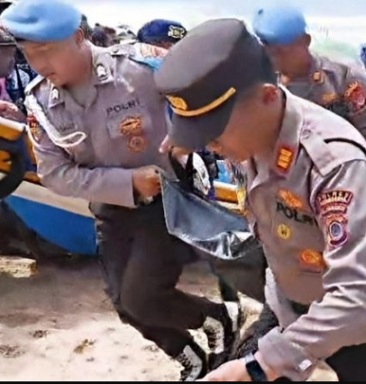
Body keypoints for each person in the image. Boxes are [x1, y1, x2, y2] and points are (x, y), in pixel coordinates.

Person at [0, 1, 240, 380]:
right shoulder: (40, 102)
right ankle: (191, 353)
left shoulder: (141, 66)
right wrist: (126, 183)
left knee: (143, 296)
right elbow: (56, 174)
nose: (39, 63)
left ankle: (216, 318)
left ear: (78, 38)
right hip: (111, 206)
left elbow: (205, 93)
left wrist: (186, 139)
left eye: (46, 51)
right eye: (30, 53)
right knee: (124, 305)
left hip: (169, 198)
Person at [155, 18, 366, 382]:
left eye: (213, 130)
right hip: (287, 299)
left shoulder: (332, 161)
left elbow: (358, 293)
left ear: (268, 97)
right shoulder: (245, 135)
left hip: (356, 324)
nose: (209, 144)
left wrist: (263, 365)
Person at [252, 5, 366, 187]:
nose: (275, 58)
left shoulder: (345, 78)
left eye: (282, 51)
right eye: (270, 52)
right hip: (295, 186)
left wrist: (339, 179)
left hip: (356, 180)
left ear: (305, 41)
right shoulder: (264, 84)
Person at [0, 28, 31, 113]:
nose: (13, 60)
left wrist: (23, 120)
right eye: (9, 55)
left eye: (14, 55)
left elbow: (34, 124)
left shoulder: (27, 82)